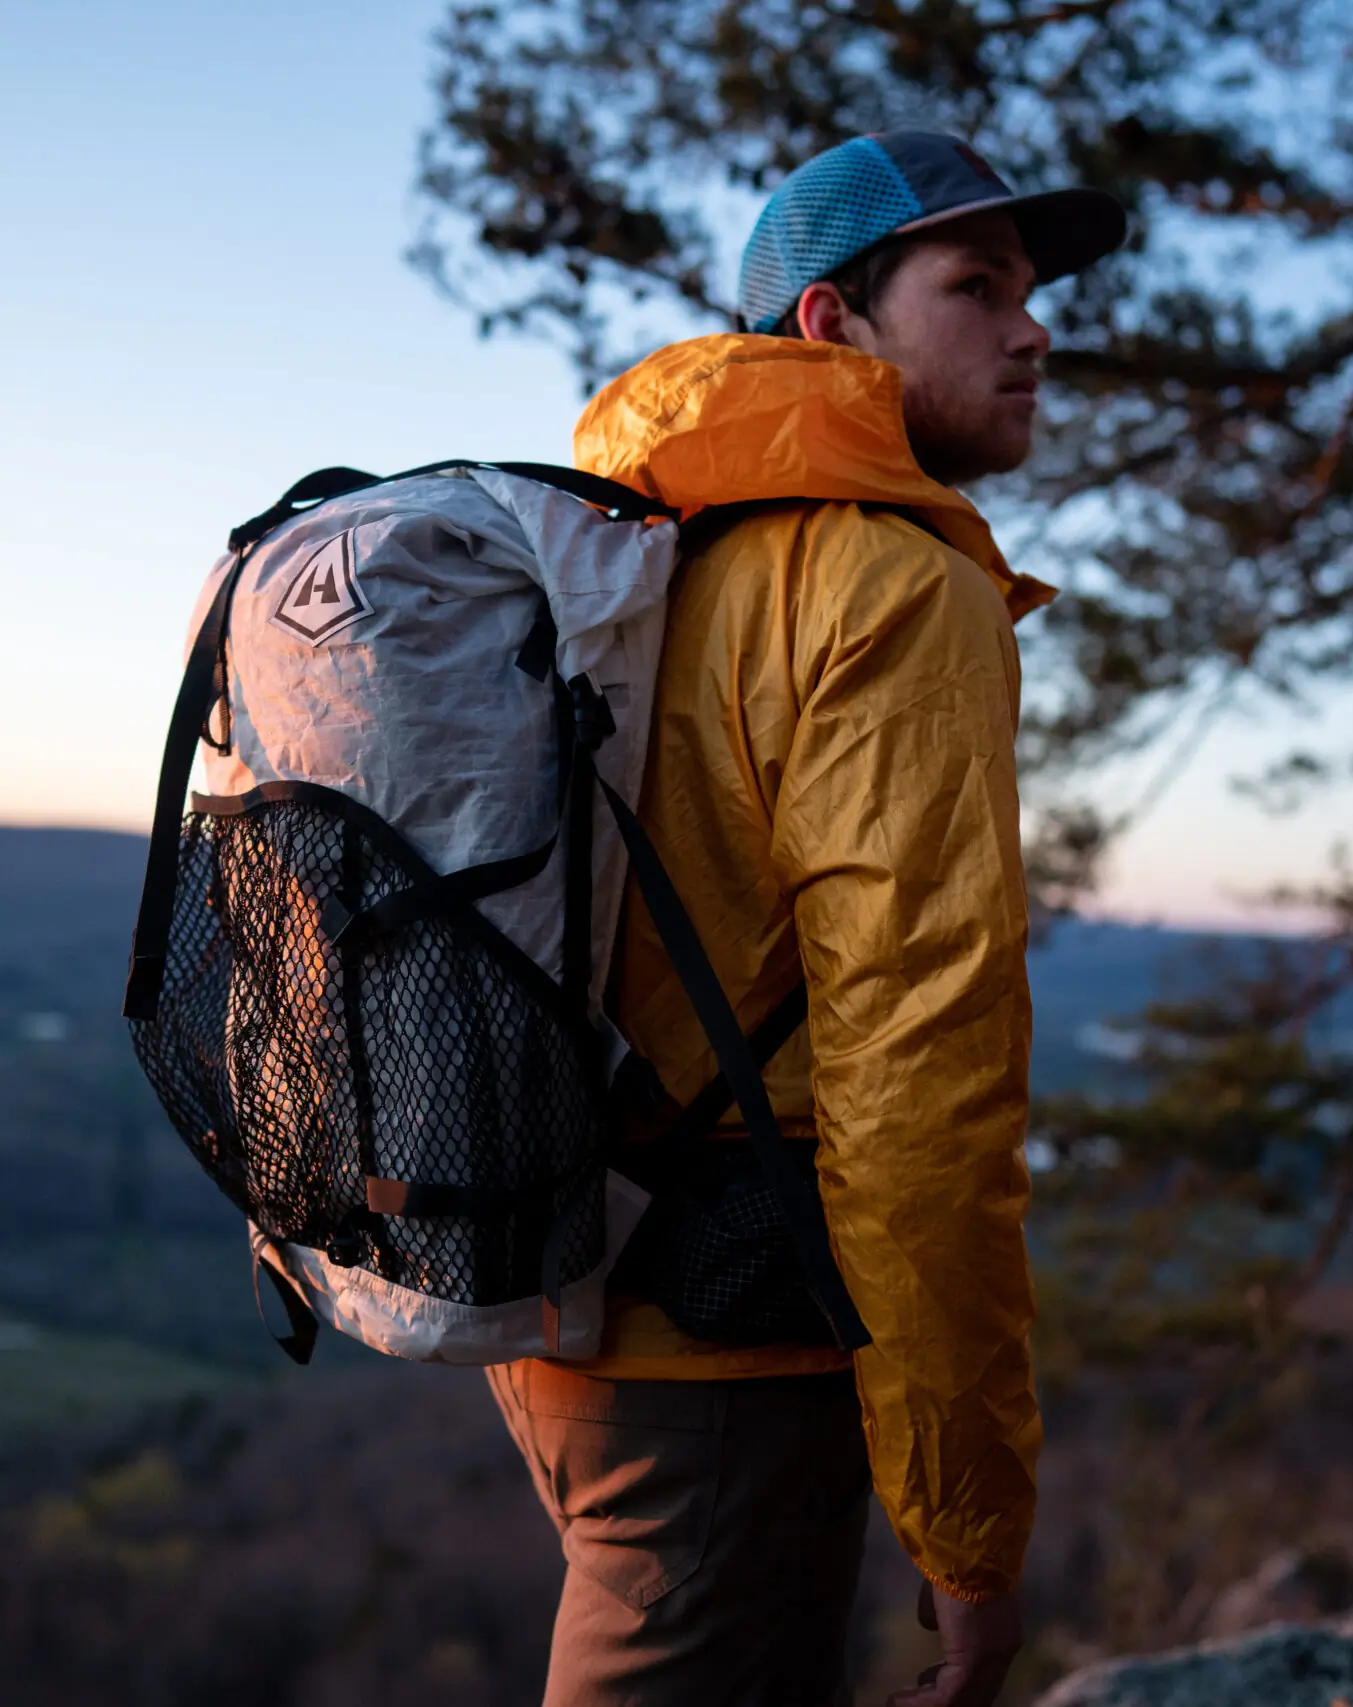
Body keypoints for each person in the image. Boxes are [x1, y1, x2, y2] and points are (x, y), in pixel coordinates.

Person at [486, 132, 1126, 1707]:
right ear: (833, 329)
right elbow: (919, 1085)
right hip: (727, 1362)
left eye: (1031, 290)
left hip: (554, 1293)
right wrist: (969, 1528)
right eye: (975, 286)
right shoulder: (893, 585)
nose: (1032, 329)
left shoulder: (642, 553)